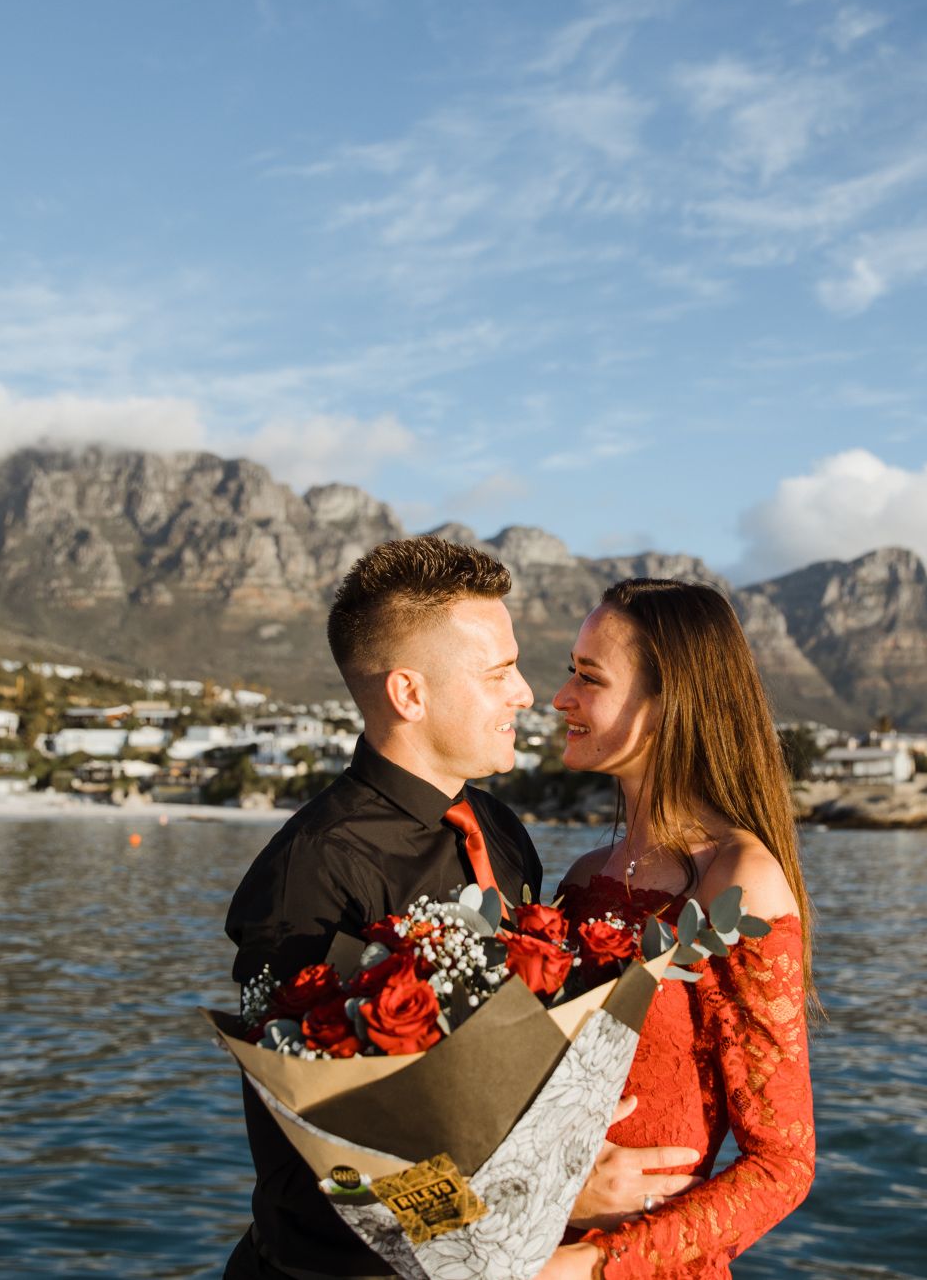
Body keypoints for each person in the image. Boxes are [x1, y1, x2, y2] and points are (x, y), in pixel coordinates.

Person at [221, 538, 701, 1279]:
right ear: (409, 694)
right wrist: (540, 1193)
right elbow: (311, 1176)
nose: (526, 693)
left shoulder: (503, 833)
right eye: (499, 672)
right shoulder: (311, 874)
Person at [534, 578, 816, 1280]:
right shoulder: (579, 879)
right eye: (570, 670)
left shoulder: (738, 881)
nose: (561, 696)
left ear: (667, 704)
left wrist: (589, 1264)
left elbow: (784, 1165)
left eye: (588, 676)